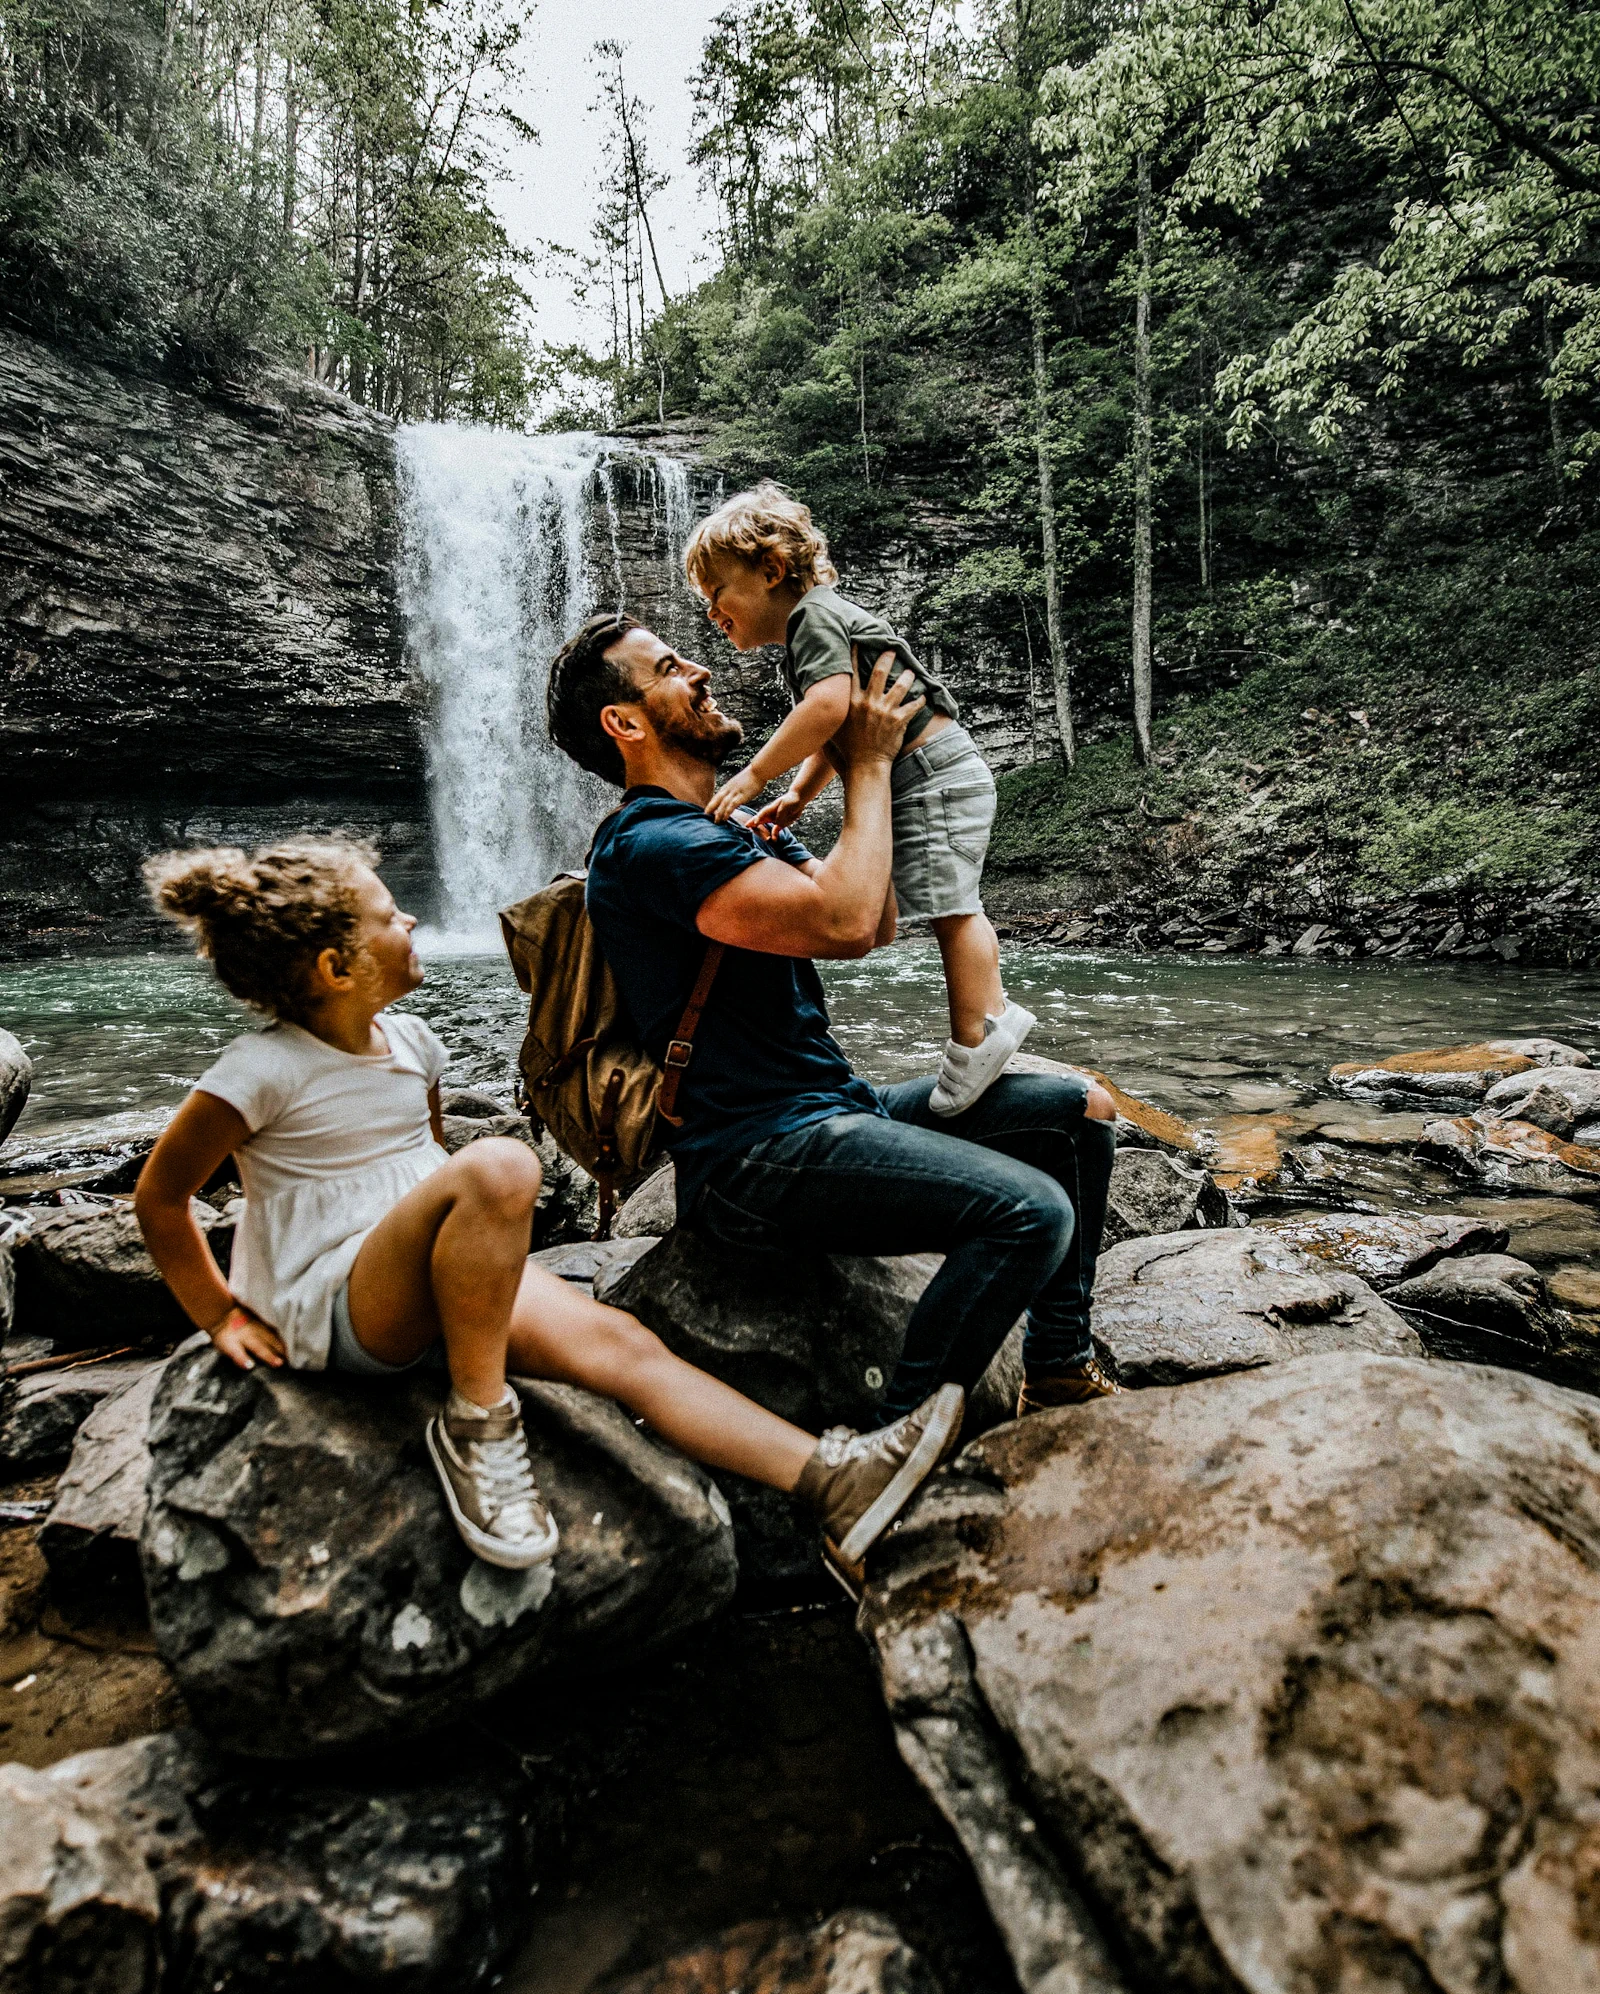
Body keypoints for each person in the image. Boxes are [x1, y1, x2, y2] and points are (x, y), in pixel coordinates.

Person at [132, 838, 966, 1587]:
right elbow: (162, 1198)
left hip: (428, 1280)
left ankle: (831, 1479)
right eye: (390, 915)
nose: (412, 915)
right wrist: (219, 1316)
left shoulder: (415, 1043)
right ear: (334, 968)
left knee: (624, 1346)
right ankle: (478, 1424)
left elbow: (418, 1168)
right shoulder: (259, 1071)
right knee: (497, 1164)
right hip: (341, 1305)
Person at [544, 613, 1121, 1426]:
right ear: (626, 723)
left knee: (1081, 1112)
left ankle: (1058, 1363)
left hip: (833, 1112)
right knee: (1029, 1212)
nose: (702, 669)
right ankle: (895, 1448)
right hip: (755, 1155)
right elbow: (844, 924)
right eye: (672, 667)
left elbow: (873, 920)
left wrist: (856, 767)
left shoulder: (732, 832)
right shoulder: (653, 845)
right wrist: (874, 761)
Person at [684, 481, 1032, 1117]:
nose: (711, 613)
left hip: (932, 773)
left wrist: (756, 776)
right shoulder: (813, 628)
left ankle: (984, 1030)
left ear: (770, 570)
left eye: (717, 593)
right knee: (908, 910)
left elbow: (827, 709)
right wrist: (797, 795)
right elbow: (834, 731)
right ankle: (982, 1023)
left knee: (953, 907)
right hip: (920, 772)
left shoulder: (812, 619)